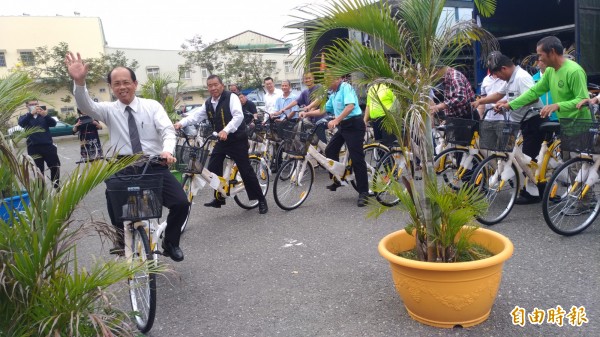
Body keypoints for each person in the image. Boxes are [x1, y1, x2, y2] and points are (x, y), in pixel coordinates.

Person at [65, 52, 188, 262]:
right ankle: (121, 241)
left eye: (126, 82)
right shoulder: (108, 110)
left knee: (181, 203)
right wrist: (79, 82)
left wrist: (167, 150)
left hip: (154, 163)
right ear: (112, 87)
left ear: (135, 84)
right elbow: (86, 106)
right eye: (117, 84)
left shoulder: (152, 106)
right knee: (114, 200)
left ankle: (171, 242)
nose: (122, 87)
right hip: (123, 165)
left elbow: (167, 131)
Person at [174, 75, 268, 214]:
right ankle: (219, 197)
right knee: (212, 167)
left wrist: (226, 130)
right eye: (210, 85)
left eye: (215, 84)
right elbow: (196, 116)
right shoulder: (208, 103)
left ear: (221, 85)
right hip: (221, 140)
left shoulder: (231, 97)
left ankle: (261, 199)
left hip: (237, 139)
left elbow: (238, 116)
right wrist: (180, 123)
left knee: (245, 170)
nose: (213, 88)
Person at [472, 53, 546, 204]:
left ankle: (535, 193)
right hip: (521, 121)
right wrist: (480, 101)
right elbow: (499, 94)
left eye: (497, 74)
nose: (498, 78)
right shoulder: (511, 79)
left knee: (529, 158)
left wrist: (509, 105)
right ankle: (533, 188)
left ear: (504, 68)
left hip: (534, 121)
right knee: (525, 157)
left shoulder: (521, 77)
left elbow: (533, 98)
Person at [497, 36, 590, 121]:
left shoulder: (574, 71)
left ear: (552, 52)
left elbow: (583, 100)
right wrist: (510, 105)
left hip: (581, 125)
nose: (539, 59)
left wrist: (557, 105)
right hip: (564, 125)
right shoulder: (550, 70)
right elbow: (534, 92)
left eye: (540, 55)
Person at [310, 75, 369, 207]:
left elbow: (350, 106)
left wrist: (336, 120)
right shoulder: (334, 93)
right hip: (343, 126)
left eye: (328, 80)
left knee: (357, 159)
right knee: (330, 149)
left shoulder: (345, 87)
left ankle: (364, 193)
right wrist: (306, 113)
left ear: (337, 79)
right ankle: (338, 177)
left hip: (354, 125)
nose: (327, 83)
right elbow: (324, 109)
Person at [18, 100, 61, 189]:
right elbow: (22, 124)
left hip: (48, 146)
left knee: (55, 167)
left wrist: (45, 115)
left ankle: (56, 187)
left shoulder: (43, 116)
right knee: (38, 170)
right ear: (27, 106)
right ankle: (41, 191)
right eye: (31, 104)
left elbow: (53, 123)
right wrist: (31, 114)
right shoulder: (24, 117)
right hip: (33, 147)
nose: (34, 106)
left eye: (35, 104)